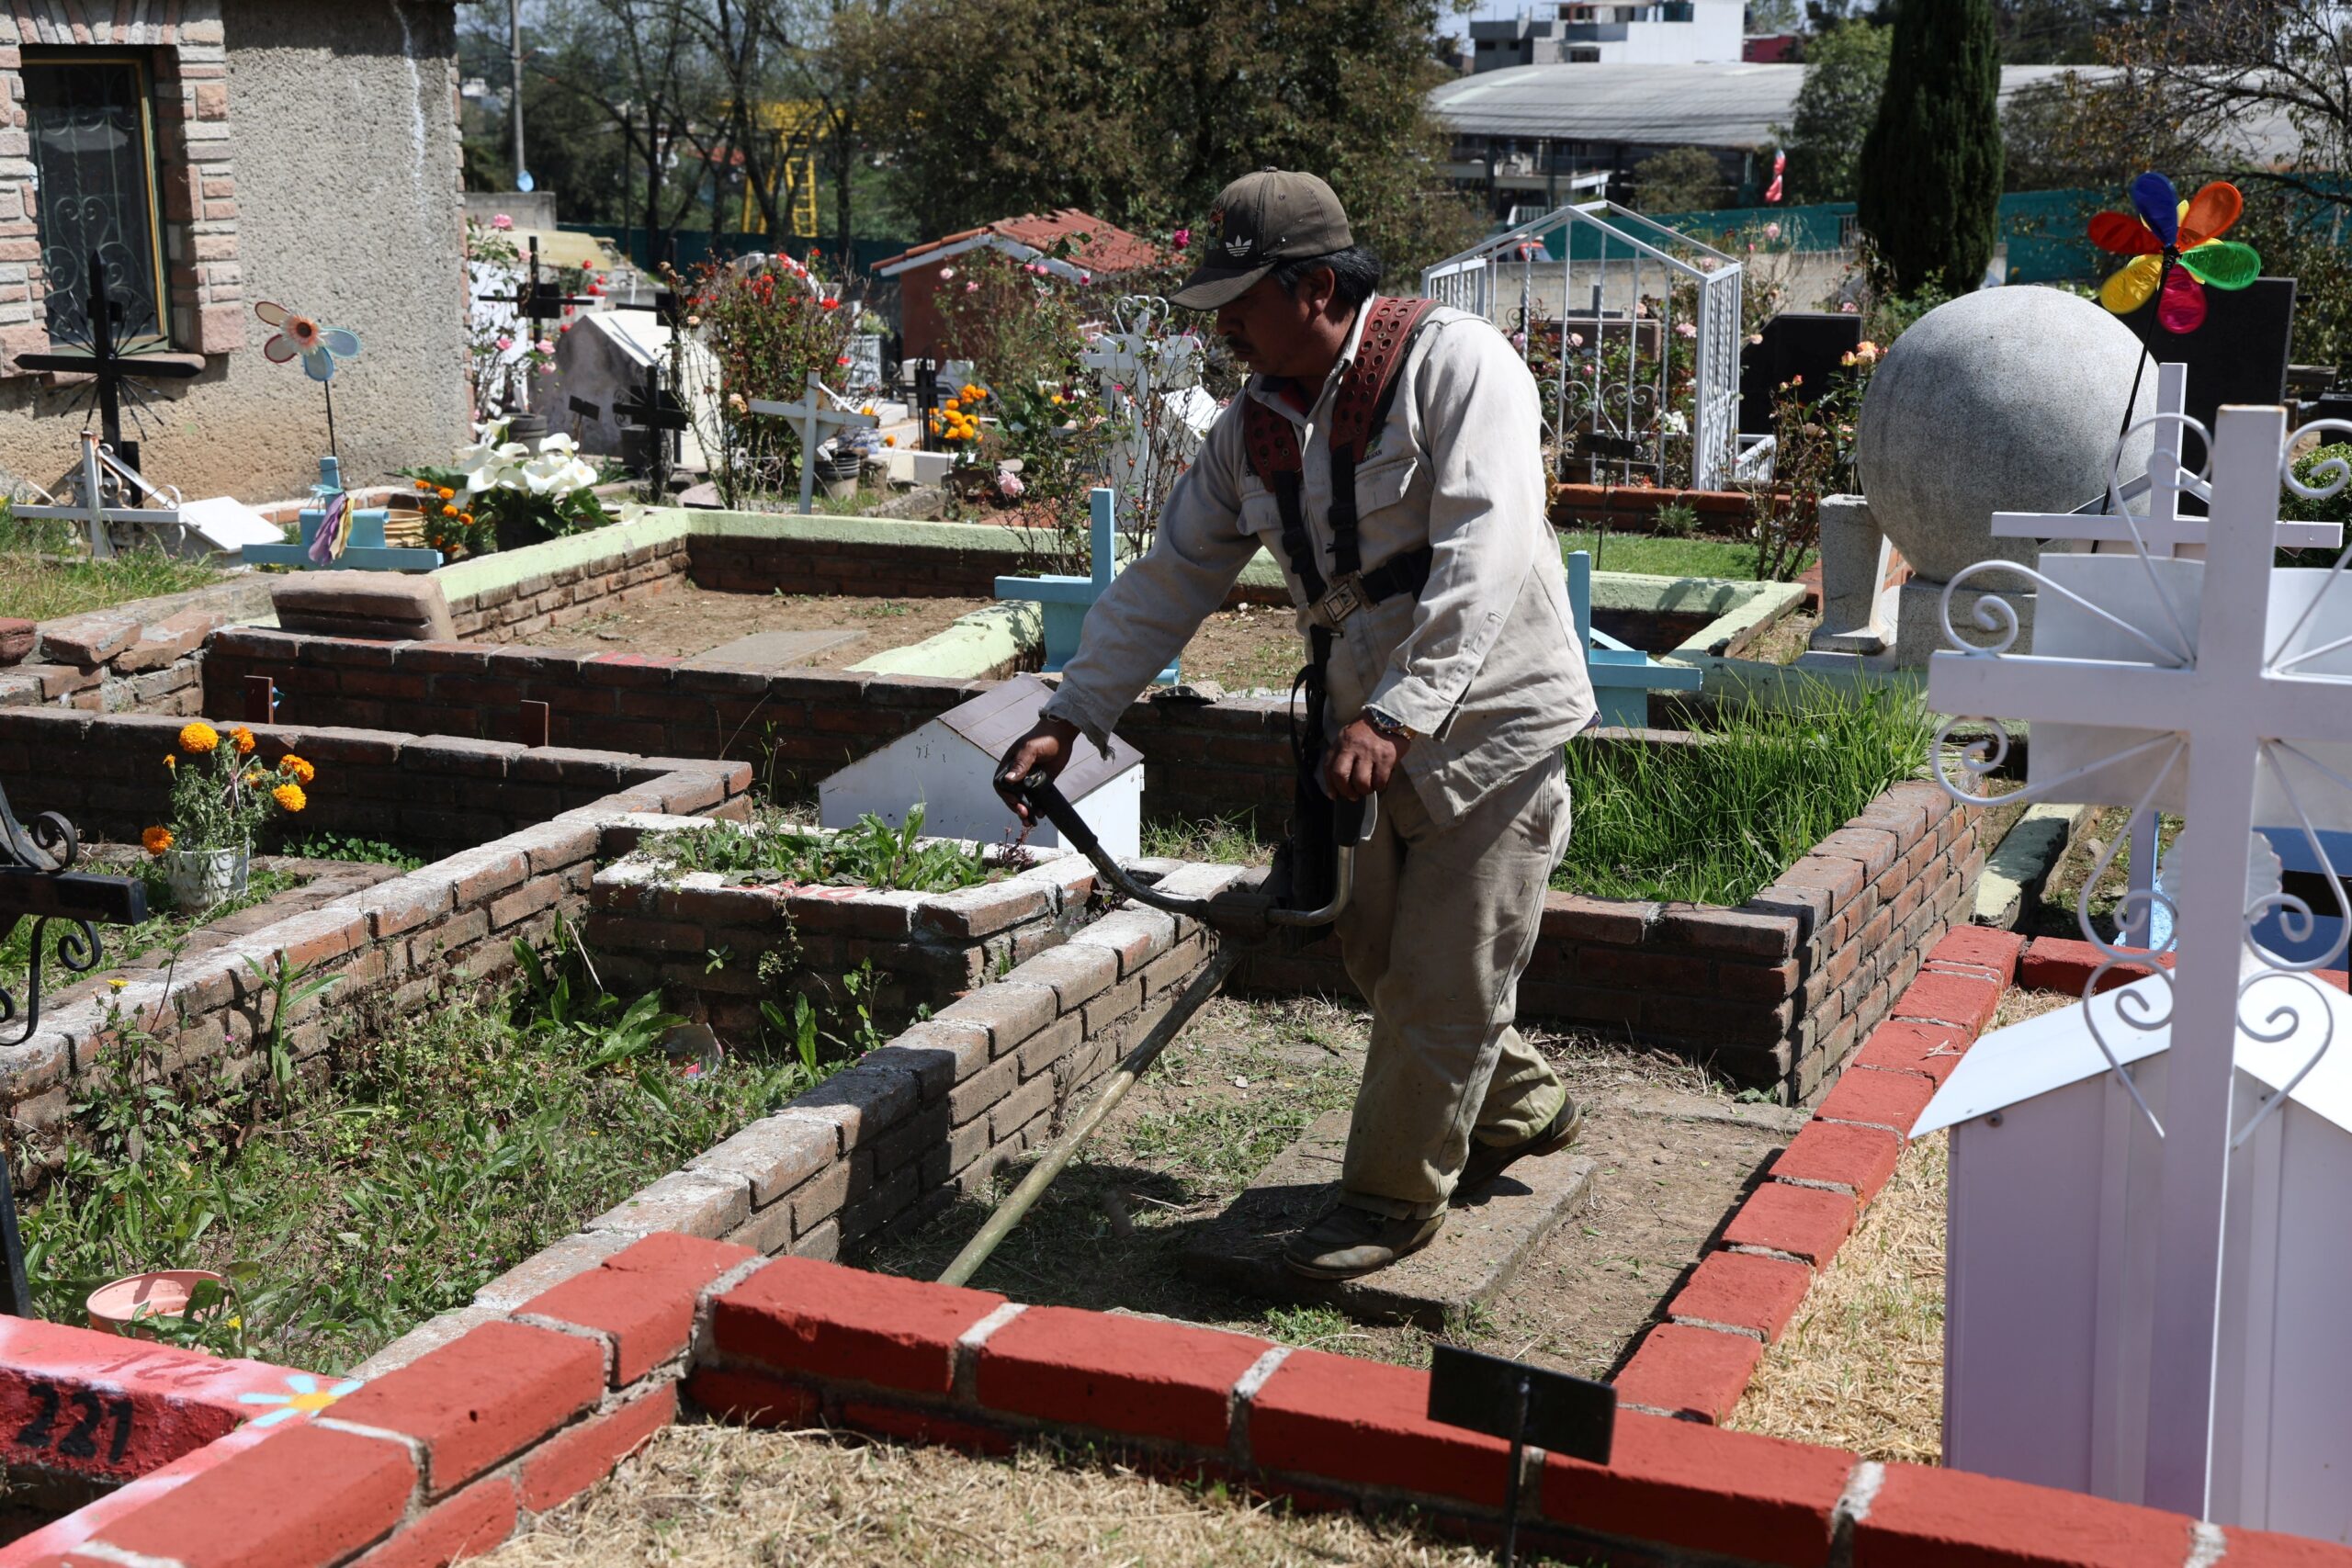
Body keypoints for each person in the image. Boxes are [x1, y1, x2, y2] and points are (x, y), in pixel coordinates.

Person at [993, 170, 1596, 1280]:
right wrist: (1071, 714)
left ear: (1314, 285)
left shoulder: (1456, 366)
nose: (1220, 327)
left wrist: (1404, 712)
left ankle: (1384, 1204)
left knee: (1441, 973)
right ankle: (1526, 1102)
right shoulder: (1255, 425)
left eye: (1238, 301)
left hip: (1494, 723)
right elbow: (1170, 574)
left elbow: (1488, 551)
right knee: (1374, 952)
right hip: (1362, 734)